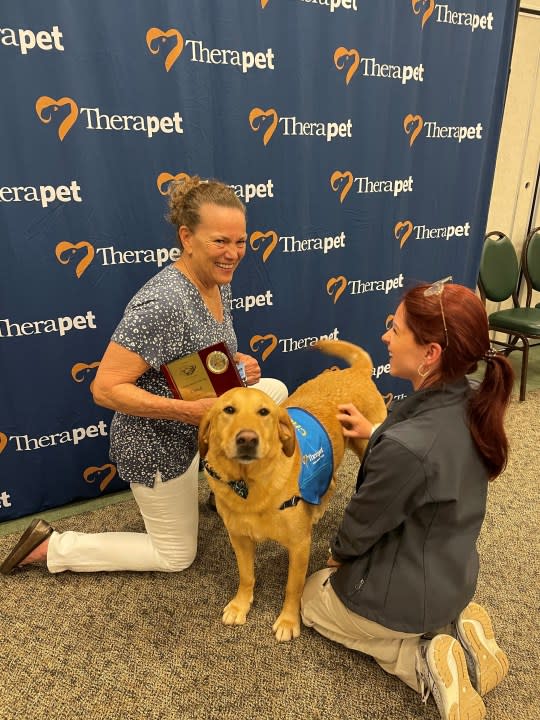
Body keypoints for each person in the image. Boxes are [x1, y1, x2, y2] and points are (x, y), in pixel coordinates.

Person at [1, 176, 287, 576]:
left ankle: (223, 477)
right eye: (220, 241)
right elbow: (105, 388)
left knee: (271, 391)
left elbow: (196, 351)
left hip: (199, 422)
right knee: (175, 556)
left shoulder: (218, 283)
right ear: (187, 237)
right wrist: (188, 413)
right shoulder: (164, 302)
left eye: (240, 242)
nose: (234, 253)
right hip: (155, 442)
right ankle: (52, 546)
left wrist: (238, 362)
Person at [301, 279, 513, 720]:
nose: (385, 338)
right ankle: (455, 625)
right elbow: (432, 462)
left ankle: (418, 660)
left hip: (401, 594)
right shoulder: (474, 401)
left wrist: (335, 558)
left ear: (430, 354)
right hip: (455, 577)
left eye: (395, 330)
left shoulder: (408, 447)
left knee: (311, 600)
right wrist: (379, 435)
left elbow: (361, 525)